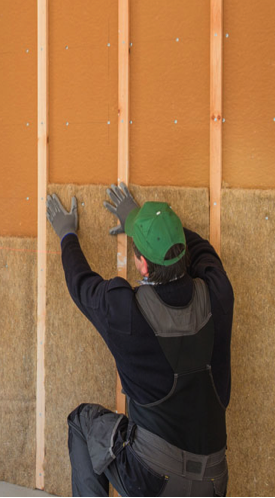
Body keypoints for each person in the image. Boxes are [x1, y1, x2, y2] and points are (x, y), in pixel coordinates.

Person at [46, 183, 234, 497]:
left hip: (152, 480)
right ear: (183, 253)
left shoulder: (126, 313)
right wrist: (145, 222)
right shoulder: (218, 292)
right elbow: (201, 248)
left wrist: (67, 234)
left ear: (142, 264)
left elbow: (80, 283)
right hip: (213, 484)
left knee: (82, 421)